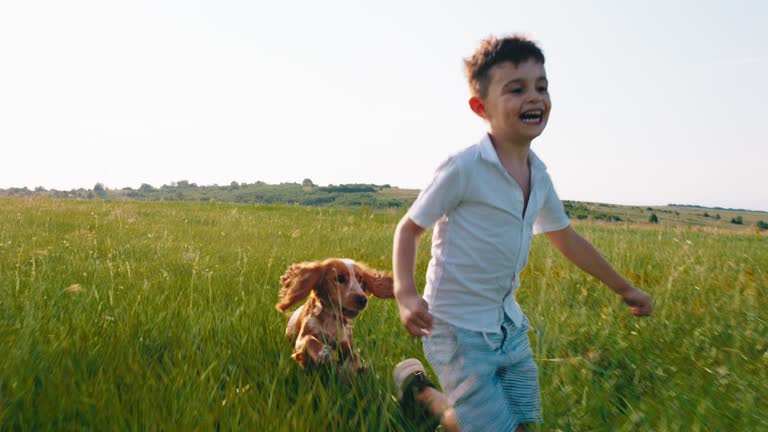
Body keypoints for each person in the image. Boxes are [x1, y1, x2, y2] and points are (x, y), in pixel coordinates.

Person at [391, 35, 653, 432]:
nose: (534, 97)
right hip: (456, 328)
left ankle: (421, 394)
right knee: (499, 428)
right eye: (516, 89)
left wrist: (624, 288)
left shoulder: (540, 175)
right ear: (481, 107)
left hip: (508, 327)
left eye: (541, 87)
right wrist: (406, 294)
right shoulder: (464, 169)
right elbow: (408, 229)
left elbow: (567, 238)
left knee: (522, 420)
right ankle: (425, 395)